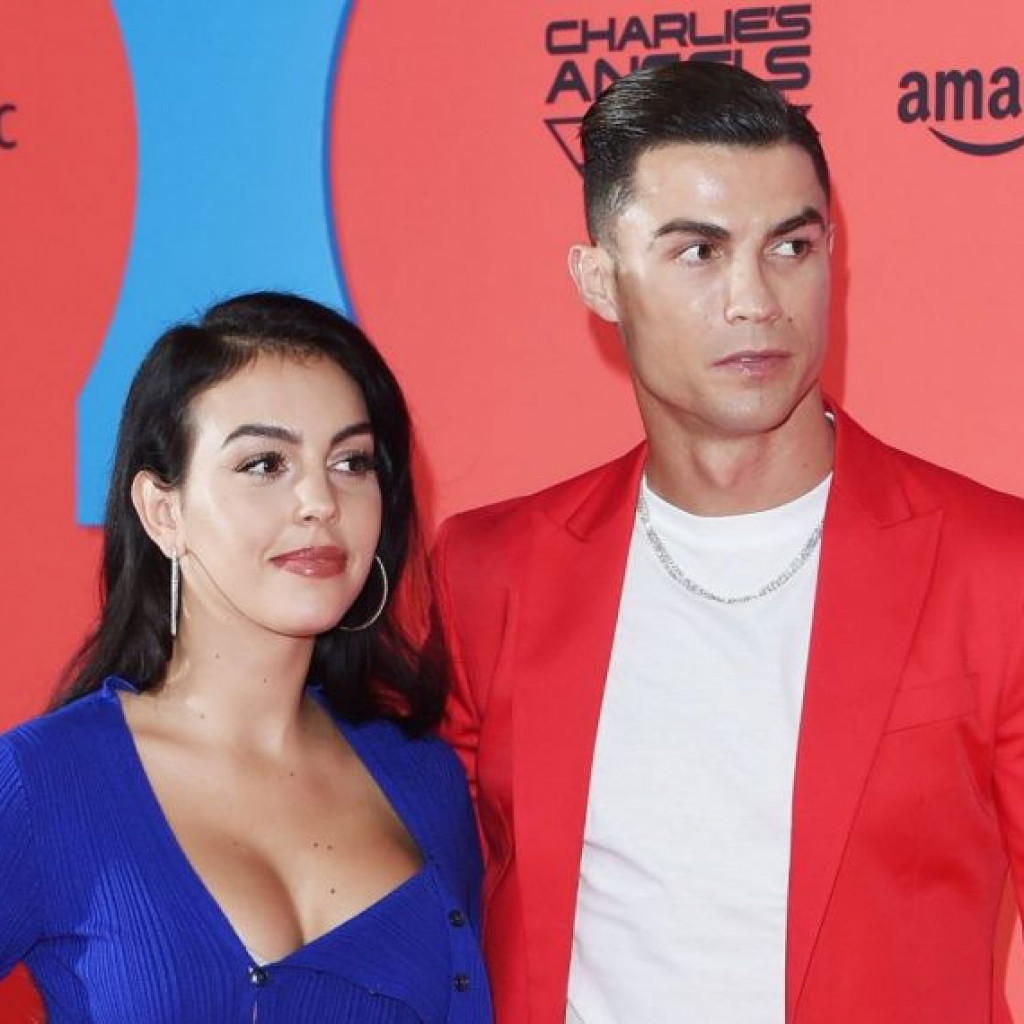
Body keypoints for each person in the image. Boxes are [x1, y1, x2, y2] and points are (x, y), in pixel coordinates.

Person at [433, 61, 1024, 1024]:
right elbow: (419, 908)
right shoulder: (489, 573)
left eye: (790, 246)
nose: (755, 299)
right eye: (698, 252)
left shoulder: (996, 566)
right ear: (599, 280)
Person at [0, 292, 492, 1022]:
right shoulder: (40, 783)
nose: (319, 501)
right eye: (265, 464)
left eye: (351, 462)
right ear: (163, 511)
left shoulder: (425, 777)